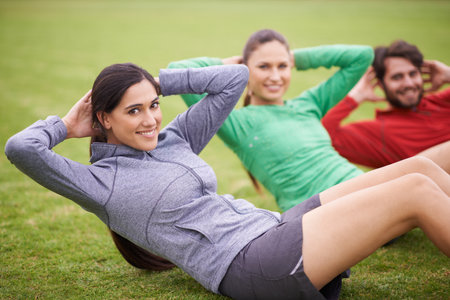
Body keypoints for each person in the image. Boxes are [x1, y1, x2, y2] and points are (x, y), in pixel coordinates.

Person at [5, 62, 450, 300]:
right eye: (133, 110)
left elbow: (234, 78)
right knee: (413, 193)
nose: (150, 120)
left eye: (153, 105)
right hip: (249, 262)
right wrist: (66, 124)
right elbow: (22, 149)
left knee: (420, 170)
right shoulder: (99, 184)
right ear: (103, 118)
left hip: (275, 226)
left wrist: (150, 82)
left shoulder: (174, 138)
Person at [168, 29, 374, 211]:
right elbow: (177, 70)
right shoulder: (236, 123)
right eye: (264, 66)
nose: (275, 76)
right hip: (326, 208)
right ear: (246, 70)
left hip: (362, 185)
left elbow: (362, 56)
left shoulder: (310, 104)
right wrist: (230, 65)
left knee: (407, 176)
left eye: (282, 66)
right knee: (405, 185)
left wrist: (295, 58)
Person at [322, 40, 450, 171]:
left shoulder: (443, 102)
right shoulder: (378, 132)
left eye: (413, 74)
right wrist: (356, 96)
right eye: (397, 77)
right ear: (381, 84)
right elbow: (319, 137)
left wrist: (448, 74)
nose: (409, 83)